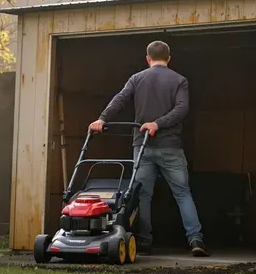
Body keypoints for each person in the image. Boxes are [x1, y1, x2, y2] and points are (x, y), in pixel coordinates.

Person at [88, 40, 207, 257]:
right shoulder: (180, 80)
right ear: (169, 58)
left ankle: (144, 240)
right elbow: (182, 109)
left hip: (143, 147)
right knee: (182, 193)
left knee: (143, 195)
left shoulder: (137, 78)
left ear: (147, 58)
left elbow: (120, 99)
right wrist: (160, 124)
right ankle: (195, 239)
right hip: (171, 146)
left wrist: (102, 119)